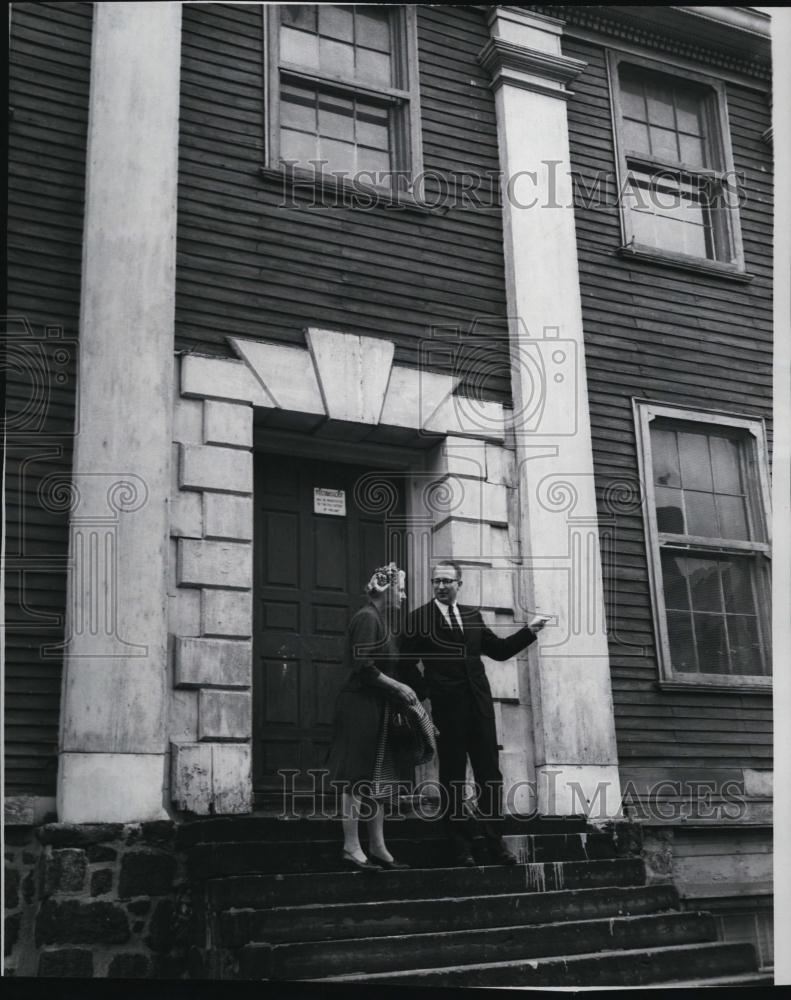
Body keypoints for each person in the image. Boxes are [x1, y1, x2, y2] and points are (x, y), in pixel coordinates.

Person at [400, 560, 550, 867]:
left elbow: (499, 650)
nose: (441, 586)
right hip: (447, 711)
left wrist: (530, 630)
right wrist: (427, 691)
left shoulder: (471, 615)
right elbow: (403, 662)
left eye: (447, 581)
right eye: (436, 581)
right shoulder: (419, 619)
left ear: (459, 584)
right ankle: (460, 847)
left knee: (490, 776)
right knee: (453, 776)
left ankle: (496, 843)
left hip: (480, 709)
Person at [324, 562, 425, 871]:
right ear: (387, 588)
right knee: (356, 777)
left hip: (376, 706)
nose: (404, 596)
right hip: (359, 706)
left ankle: (378, 848)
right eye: (402, 589)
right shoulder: (367, 618)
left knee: (377, 777)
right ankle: (351, 847)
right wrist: (398, 687)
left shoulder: (381, 619)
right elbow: (364, 666)